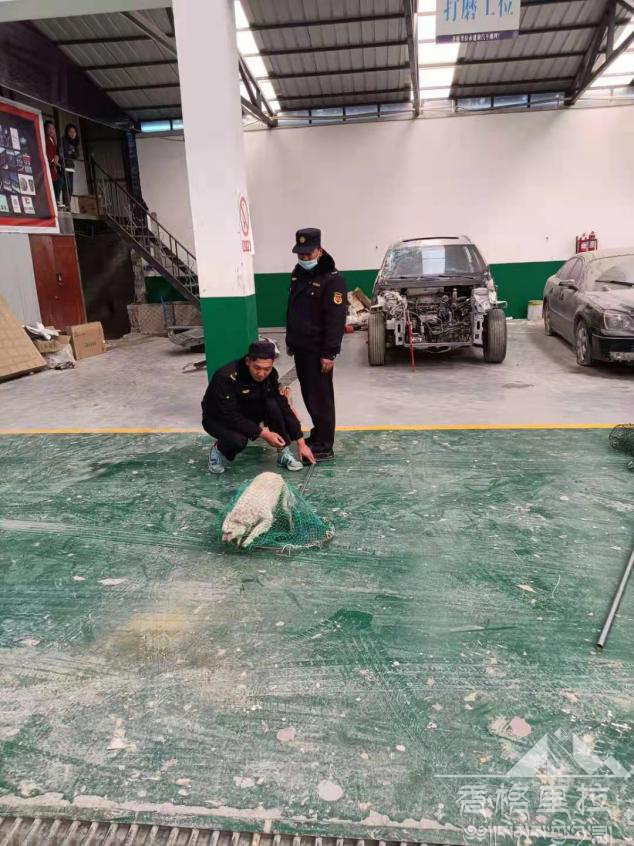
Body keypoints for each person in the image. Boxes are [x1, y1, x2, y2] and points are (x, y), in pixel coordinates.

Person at [202, 340, 315, 475]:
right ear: (248, 361)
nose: (262, 374)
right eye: (257, 368)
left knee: (273, 405)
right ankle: (218, 450)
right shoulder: (225, 377)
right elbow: (229, 415)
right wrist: (263, 433)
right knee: (238, 441)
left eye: (267, 369)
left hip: (246, 410)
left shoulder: (270, 375)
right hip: (218, 418)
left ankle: (283, 452)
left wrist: (301, 443)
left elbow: (283, 405)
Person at [286, 228, 347, 463]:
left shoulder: (332, 279)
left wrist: (329, 353)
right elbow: (294, 310)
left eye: (308, 254)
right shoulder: (298, 274)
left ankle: (325, 445)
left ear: (319, 250)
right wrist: (291, 340)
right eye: (300, 254)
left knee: (321, 398)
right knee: (310, 396)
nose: (304, 258)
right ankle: (319, 433)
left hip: (318, 351)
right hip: (302, 348)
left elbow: (335, 320)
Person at [44, 121, 62, 205]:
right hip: (48, 165)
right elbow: (46, 152)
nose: (51, 130)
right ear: (45, 129)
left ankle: (56, 200)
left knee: (59, 181)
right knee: (58, 181)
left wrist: (57, 157)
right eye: (49, 128)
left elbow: (55, 152)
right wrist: (53, 161)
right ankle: (54, 201)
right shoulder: (45, 138)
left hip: (53, 165)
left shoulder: (53, 139)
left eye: (53, 128)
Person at [62, 123, 80, 201]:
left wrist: (72, 151)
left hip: (71, 166)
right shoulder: (64, 140)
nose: (73, 133)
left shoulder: (75, 142)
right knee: (67, 187)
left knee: (71, 189)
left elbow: (76, 155)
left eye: (74, 132)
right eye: (71, 131)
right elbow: (67, 152)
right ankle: (66, 205)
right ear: (67, 132)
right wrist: (72, 151)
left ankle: (67, 204)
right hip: (64, 165)